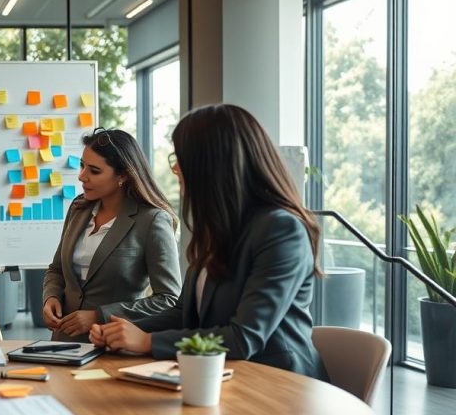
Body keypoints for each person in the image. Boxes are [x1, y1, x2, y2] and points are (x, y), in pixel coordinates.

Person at [89, 104, 328, 379]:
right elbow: (183, 314)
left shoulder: (281, 230)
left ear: (211, 165)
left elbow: (243, 338)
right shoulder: (220, 227)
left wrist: (146, 341)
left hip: (280, 383)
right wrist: (119, 330)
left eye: (181, 158)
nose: (175, 168)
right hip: (222, 377)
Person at [42, 128, 181, 342]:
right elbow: (57, 269)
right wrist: (50, 297)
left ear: (123, 175)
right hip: (63, 343)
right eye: (82, 165)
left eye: (94, 171)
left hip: (114, 344)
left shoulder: (152, 220)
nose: (82, 176)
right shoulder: (78, 208)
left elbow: (168, 299)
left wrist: (99, 316)